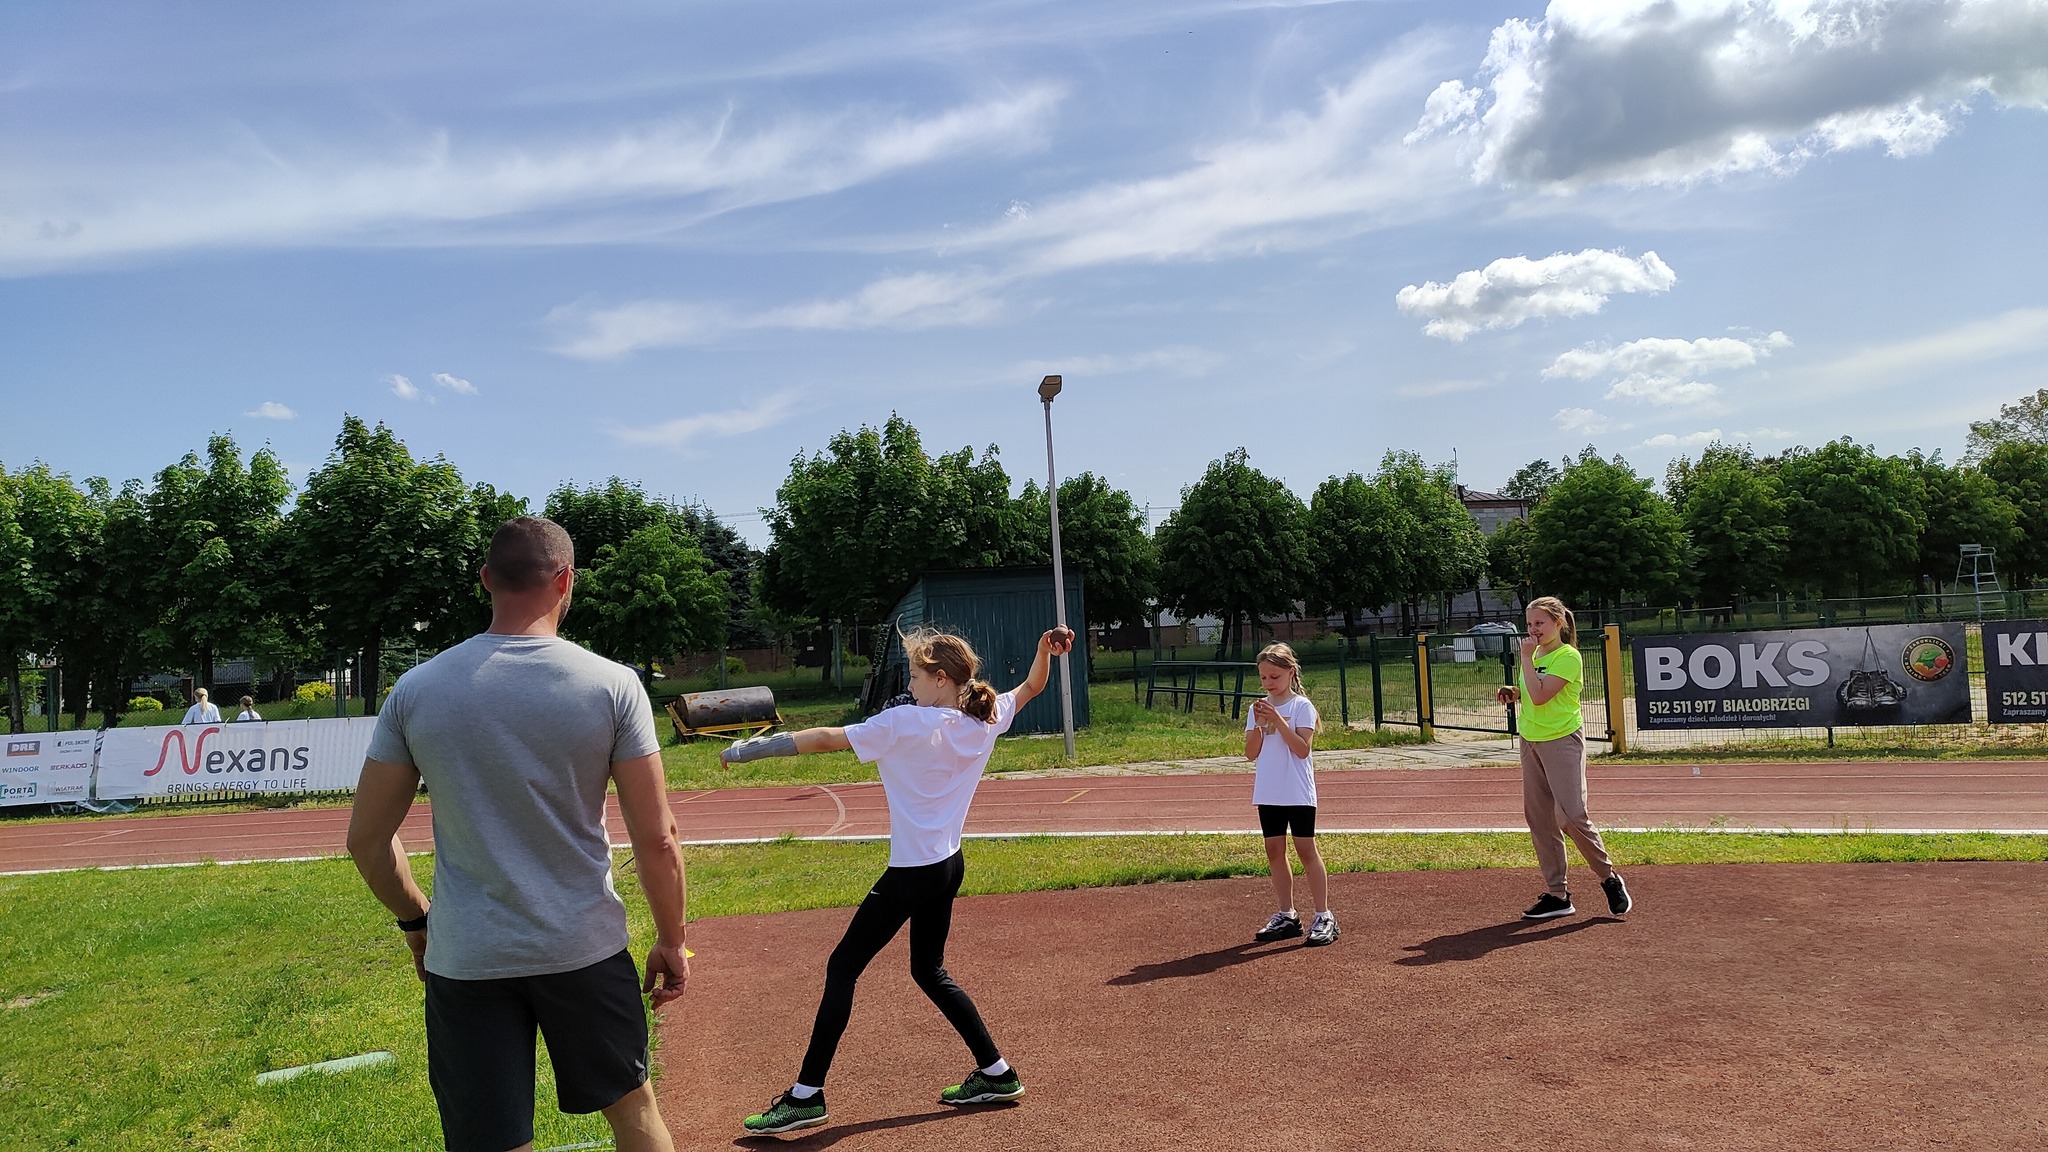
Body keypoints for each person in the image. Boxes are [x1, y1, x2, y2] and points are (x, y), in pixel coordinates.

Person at [346, 516, 689, 1152]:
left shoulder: (416, 691)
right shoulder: (612, 686)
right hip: (583, 948)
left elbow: (367, 840)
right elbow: (658, 839)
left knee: (488, 1140)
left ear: (485, 580)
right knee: (635, 1115)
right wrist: (672, 939)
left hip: (469, 956)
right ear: (566, 581)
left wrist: (418, 922)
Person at [723, 624, 1074, 1136]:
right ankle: (997, 1073)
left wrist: (748, 751)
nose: (908, 682)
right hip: (948, 865)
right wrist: (1044, 651)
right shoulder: (985, 714)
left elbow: (826, 739)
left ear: (939, 678)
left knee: (843, 967)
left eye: (914, 673)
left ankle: (806, 1096)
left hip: (912, 872)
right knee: (928, 971)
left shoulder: (906, 722)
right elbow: (1031, 688)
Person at [1494, 596, 1632, 920]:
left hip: (1561, 741)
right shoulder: (1537, 654)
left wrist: (1526, 659)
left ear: (1558, 623)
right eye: (1529, 624)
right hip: (1531, 741)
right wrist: (1514, 692)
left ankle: (1609, 879)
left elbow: (1542, 696)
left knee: (1570, 816)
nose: (1533, 630)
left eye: (1539, 623)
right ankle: (1558, 895)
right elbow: (1532, 691)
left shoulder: (1568, 657)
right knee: (1539, 818)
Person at [1245, 642, 1337, 947]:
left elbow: (1302, 749)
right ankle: (1287, 915)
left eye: (1274, 677)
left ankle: (1324, 915)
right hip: (1269, 790)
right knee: (1274, 851)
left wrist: (1278, 721)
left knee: (1305, 850)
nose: (1269, 683)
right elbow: (1250, 753)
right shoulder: (1256, 708)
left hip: (1296, 791)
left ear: (1290, 673)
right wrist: (1259, 726)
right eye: (1263, 678)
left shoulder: (1301, 707)